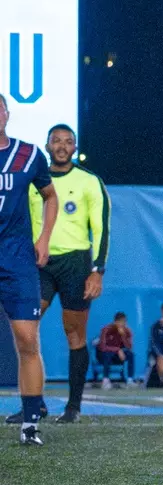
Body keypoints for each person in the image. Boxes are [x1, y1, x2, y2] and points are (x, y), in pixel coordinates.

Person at [28, 124, 109, 423]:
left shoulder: (89, 181)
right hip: (39, 263)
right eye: (56, 141)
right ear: (47, 146)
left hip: (76, 264)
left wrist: (97, 270)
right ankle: (35, 403)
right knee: (27, 329)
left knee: (74, 334)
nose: (62, 146)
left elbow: (101, 228)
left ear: (75, 148)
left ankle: (73, 407)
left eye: (68, 142)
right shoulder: (33, 181)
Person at [0, 96, 59, 443]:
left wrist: (44, 238)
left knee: (26, 340)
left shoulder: (28, 154)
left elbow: (50, 196)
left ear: (7, 114)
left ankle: (30, 423)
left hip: (17, 259)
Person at [94, 311, 134, 386]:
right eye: (121, 322)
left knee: (130, 354)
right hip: (102, 356)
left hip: (117, 356)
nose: (123, 324)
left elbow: (129, 347)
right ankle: (105, 380)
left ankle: (130, 379)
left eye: (124, 322)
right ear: (115, 322)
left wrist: (123, 336)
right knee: (108, 353)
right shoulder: (107, 329)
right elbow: (102, 347)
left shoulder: (127, 331)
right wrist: (118, 350)